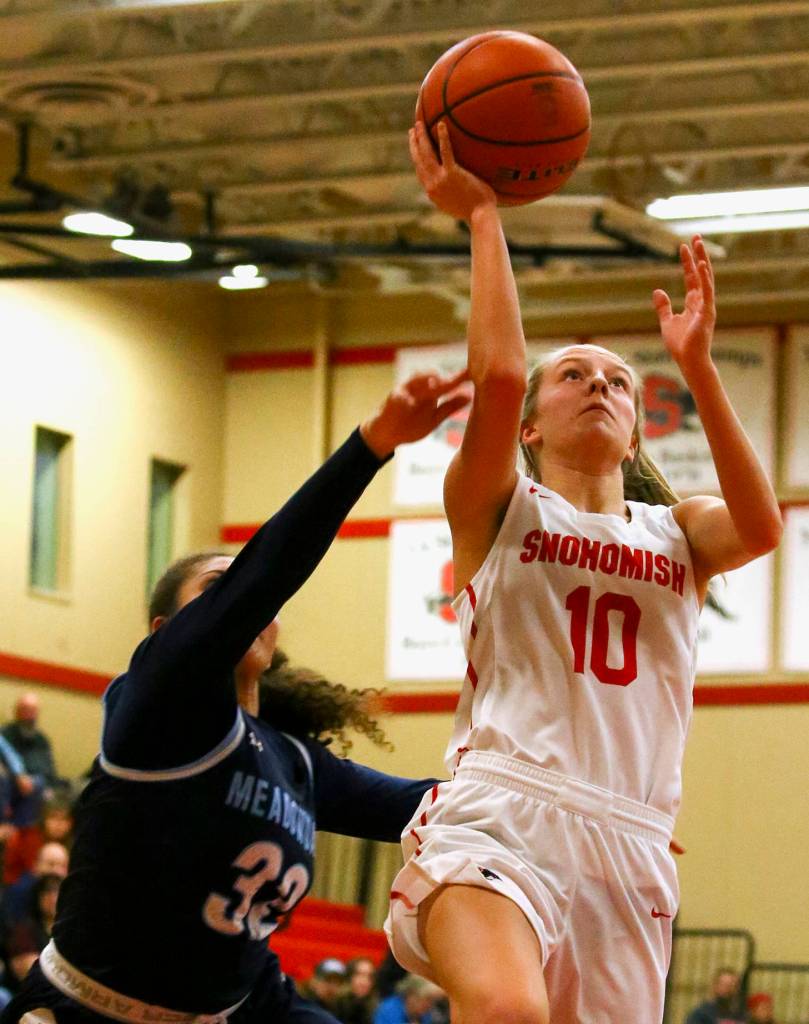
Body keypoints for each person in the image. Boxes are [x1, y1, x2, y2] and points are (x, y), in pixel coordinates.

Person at [385, 120, 783, 1024]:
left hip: (630, 839)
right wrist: (483, 218)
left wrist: (697, 368)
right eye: (573, 376)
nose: (599, 385)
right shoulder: (500, 506)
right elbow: (497, 375)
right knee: (507, 1010)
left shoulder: (675, 532)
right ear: (529, 427)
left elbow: (761, 526)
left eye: (617, 382)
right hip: (503, 812)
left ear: (637, 434)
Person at [0, 369, 469, 1024]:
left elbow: (434, 805)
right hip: (84, 1012)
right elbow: (267, 570)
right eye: (215, 590)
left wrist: (576, 807)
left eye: (241, 591)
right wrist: (371, 444)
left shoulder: (293, 760)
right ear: (165, 632)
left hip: (233, 1007)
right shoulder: (153, 707)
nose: (244, 602)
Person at [5, 874, 62, 988]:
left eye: (57, 892)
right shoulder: (24, 930)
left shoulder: (70, 931)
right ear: (38, 897)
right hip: (31, 992)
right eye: (47, 892)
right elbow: (29, 970)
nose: (53, 898)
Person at [1, 696, 58, 792]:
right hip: (10, 782)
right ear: (17, 712)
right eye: (25, 710)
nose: (30, 715)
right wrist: (19, 776)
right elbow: (8, 757)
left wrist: (46, 785)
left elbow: (49, 770)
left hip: (37, 784)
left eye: (33, 711)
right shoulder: (5, 734)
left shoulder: (42, 739)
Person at [373, 976, 443, 1024]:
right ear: (411, 995)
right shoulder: (388, 1010)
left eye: (432, 1001)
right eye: (427, 999)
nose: (429, 1005)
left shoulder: (426, 1014)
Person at [334, 957, 378, 1024]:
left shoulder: (377, 1009)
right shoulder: (334, 1004)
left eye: (369, 977)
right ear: (349, 977)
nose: (364, 981)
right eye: (359, 975)